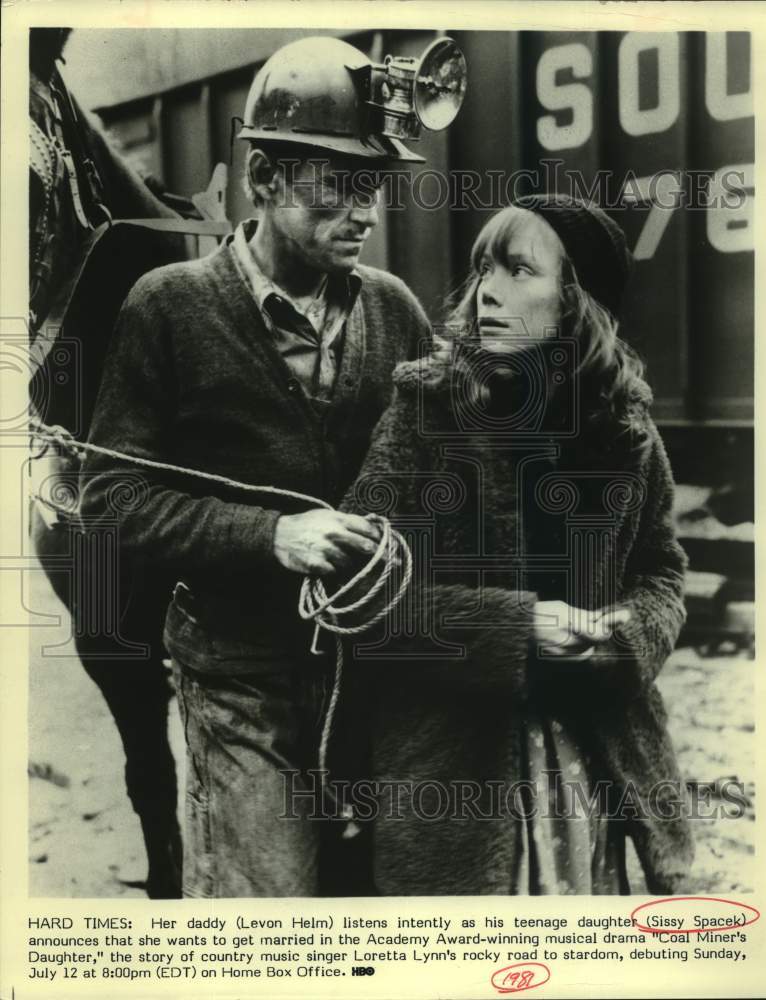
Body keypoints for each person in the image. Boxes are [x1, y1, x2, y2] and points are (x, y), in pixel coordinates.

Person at [79, 36, 434, 898]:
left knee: (372, 908)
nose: (364, 213)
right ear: (265, 178)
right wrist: (271, 536)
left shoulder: (393, 309)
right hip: (236, 678)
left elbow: (444, 471)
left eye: (374, 186)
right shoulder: (169, 306)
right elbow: (110, 500)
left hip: (370, 680)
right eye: (337, 185)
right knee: (269, 911)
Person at [339, 195, 694, 895]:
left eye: (518, 270)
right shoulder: (426, 411)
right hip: (451, 764)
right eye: (482, 270)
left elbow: (660, 570)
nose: (487, 292)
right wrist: (515, 627)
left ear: (574, 301)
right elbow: (361, 596)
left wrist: (623, 640)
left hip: (590, 759)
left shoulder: (622, 427)